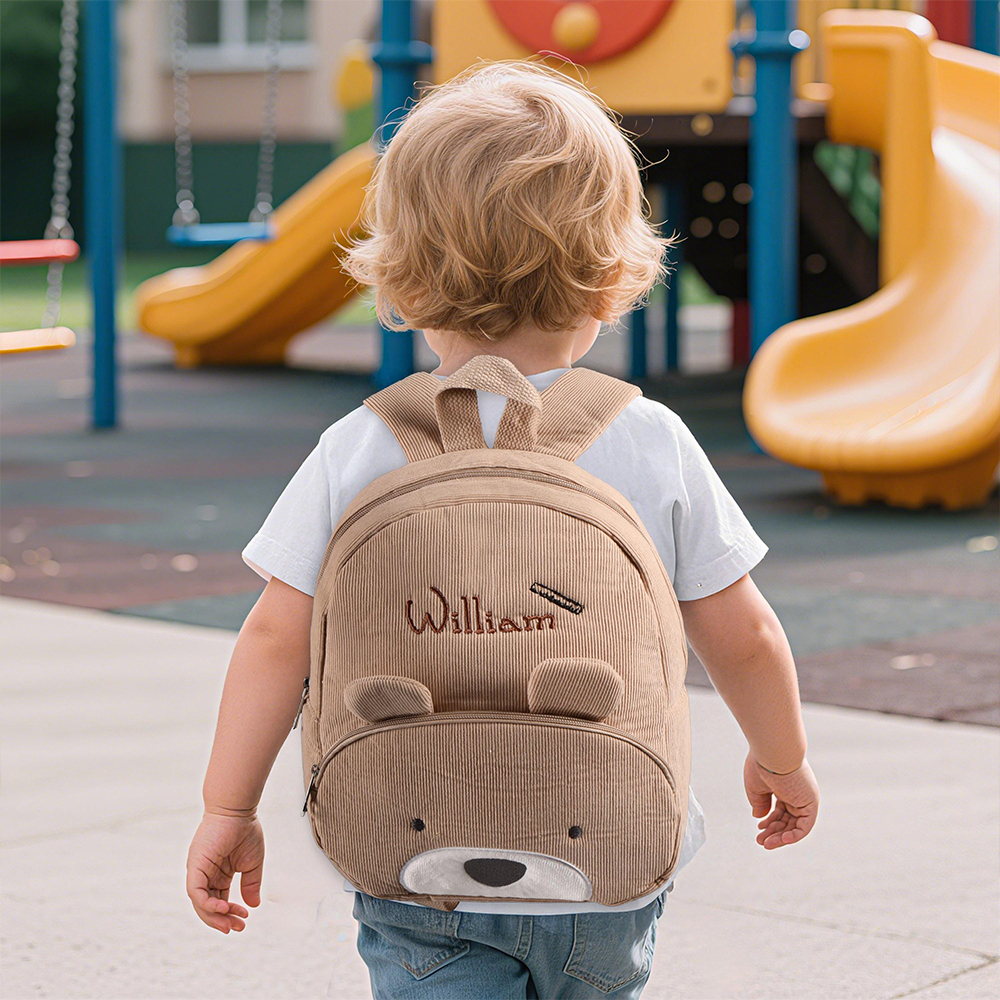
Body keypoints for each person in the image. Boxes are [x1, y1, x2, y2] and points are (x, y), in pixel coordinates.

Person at [185, 61, 819, 999]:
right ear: (615, 271)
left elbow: (277, 639)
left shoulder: (361, 445)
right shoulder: (649, 440)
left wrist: (227, 805)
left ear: (398, 271)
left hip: (412, 854)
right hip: (604, 849)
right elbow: (744, 632)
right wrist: (782, 758)